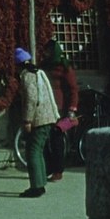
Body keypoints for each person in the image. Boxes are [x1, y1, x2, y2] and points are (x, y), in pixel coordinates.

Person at [16, 47, 60, 198]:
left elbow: (31, 99)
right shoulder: (38, 73)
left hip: (39, 119)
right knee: (38, 150)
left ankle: (36, 187)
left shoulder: (27, 76)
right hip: (48, 117)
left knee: (32, 151)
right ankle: (40, 184)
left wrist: (27, 120)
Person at [40, 38, 80, 182]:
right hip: (45, 106)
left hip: (60, 108)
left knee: (57, 139)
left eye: (49, 50)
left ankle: (58, 170)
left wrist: (72, 109)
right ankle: (47, 168)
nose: (47, 53)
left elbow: (73, 89)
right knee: (44, 138)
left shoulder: (64, 66)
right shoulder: (44, 65)